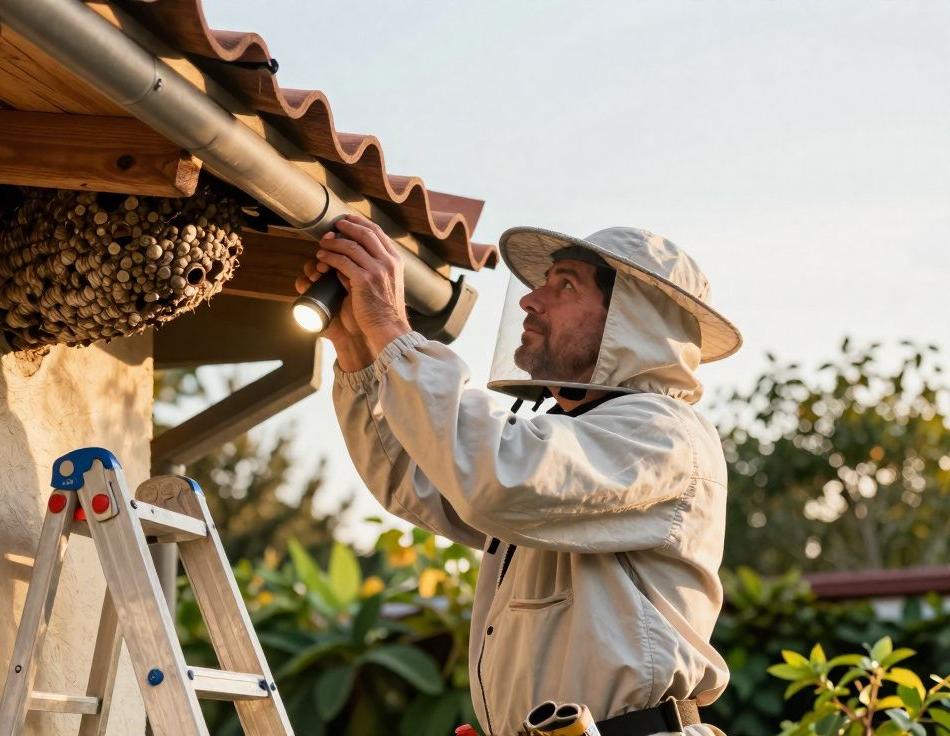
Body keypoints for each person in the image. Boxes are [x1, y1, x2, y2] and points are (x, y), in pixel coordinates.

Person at [296, 215, 740, 736]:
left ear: (633, 323)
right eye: (541, 284)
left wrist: (391, 329)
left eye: (565, 285)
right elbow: (417, 482)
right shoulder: (566, 441)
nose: (531, 300)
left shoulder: (664, 433)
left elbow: (495, 478)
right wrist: (355, 348)